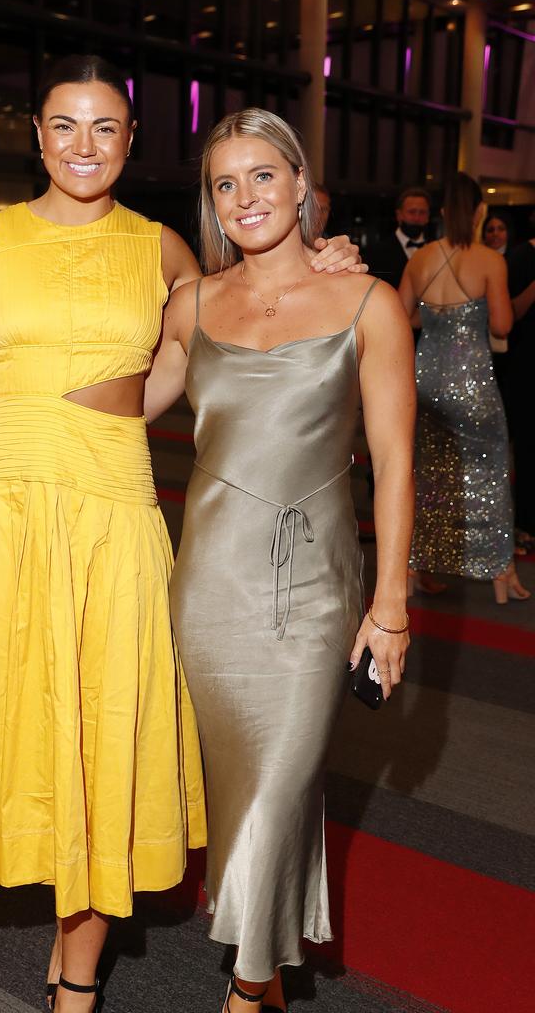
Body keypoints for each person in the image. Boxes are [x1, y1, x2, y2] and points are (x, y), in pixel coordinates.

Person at [0, 57, 364, 1013]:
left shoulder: (159, 252)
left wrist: (324, 257)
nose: (83, 146)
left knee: (107, 735)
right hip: (10, 514)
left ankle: (75, 977)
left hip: (113, 519)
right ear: (33, 134)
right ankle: (72, 953)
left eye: (105, 128)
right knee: (39, 736)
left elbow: (249, 307)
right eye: (64, 125)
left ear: (132, 141)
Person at [140, 108, 414, 1013]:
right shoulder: (194, 304)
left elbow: (397, 463)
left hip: (316, 588)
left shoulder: (370, 304)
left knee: (283, 779)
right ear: (212, 205)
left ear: (302, 185)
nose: (246, 196)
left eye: (264, 175)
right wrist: (12, 412)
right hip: (211, 580)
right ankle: (266, 980)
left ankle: (246, 989)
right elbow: (127, 404)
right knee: (245, 790)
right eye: (226, 183)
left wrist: (392, 603)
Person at [398, 172, 529, 603]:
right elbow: (502, 324)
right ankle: (500, 575)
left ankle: (415, 568)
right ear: (477, 213)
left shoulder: (420, 260)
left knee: (428, 477)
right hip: (473, 380)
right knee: (490, 474)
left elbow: (401, 319)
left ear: (439, 213)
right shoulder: (491, 260)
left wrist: (434, 317)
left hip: (427, 380)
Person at [506, 218, 535, 550]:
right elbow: (508, 316)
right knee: (527, 446)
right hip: (526, 363)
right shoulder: (521, 257)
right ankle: (526, 521)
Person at [366, 185, 432, 289]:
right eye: (412, 212)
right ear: (399, 215)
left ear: (428, 216)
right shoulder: (376, 252)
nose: (417, 218)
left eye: (422, 212)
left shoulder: (436, 251)